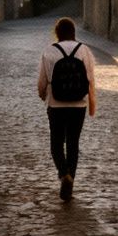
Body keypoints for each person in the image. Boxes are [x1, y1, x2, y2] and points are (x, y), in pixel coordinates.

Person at [36, 18, 97, 201]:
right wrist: (92, 104)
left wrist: (42, 95)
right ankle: (71, 178)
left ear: (57, 33)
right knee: (73, 143)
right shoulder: (84, 50)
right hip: (78, 105)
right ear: (73, 32)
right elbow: (91, 79)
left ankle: (64, 174)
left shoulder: (49, 51)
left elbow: (42, 81)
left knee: (56, 143)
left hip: (56, 105)